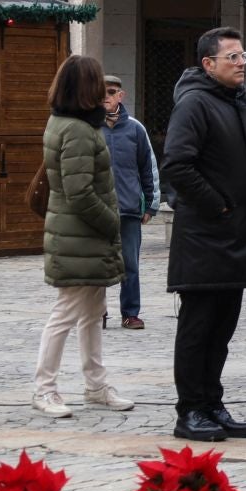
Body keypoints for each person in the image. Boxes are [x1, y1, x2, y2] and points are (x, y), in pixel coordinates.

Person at [162, 27, 246, 442]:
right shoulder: (194, 104)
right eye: (233, 58)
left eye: (243, 56)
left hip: (237, 235)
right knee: (198, 327)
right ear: (208, 64)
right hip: (205, 238)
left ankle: (212, 403)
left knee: (222, 328)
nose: (242, 64)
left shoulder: (240, 103)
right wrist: (220, 205)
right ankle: (190, 409)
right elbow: (177, 165)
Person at [34, 55, 135, 418]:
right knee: (65, 314)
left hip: (83, 237)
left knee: (93, 313)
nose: (104, 94)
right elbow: (79, 192)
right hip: (81, 236)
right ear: (85, 88)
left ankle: (96, 384)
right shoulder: (76, 129)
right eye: (98, 85)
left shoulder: (71, 122)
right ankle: (45, 389)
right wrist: (112, 223)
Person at [100, 75, 158, 331]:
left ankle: (130, 313)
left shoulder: (136, 128)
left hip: (129, 209)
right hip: (97, 211)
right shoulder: (88, 128)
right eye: (101, 92)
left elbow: (149, 167)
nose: (106, 97)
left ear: (120, 96)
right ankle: (96, 312)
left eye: (111, 92)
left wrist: (151, 204)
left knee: (130, 265)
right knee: (96, 264)